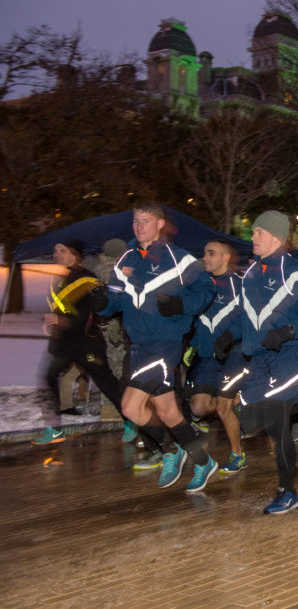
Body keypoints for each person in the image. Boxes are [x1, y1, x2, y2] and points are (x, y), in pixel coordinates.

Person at [94, 204, 218, 492]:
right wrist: (103, 305)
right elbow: (114, 299)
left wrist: (181, 305)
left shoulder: (179, 259)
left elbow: (206, 290)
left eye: (146, 221)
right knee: (168, 412)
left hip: (165, 343)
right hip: (137, 345)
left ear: (160, 224)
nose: (139, 227)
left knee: (130, 406)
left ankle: (169, 450)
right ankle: (203, 461)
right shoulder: (126, 259)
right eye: (136, 221)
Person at [237, 211, 298, 513]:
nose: (252, 238)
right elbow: (244, 314)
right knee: (249, 423)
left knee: (276, 425)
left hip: (291, 353)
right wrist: (229, 340)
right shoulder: (250, 275)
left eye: (258, 232)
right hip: (259, 357)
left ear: (276, 236)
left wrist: (288, 331)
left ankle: (288, 491)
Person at [31, 239, 126, 446]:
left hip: (87, 344)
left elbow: (90, 315)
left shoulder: (87, 279)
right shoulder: (65, 278)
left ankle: (133, 421)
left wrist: (61, 320)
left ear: (75, 254)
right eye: (55, 250)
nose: (57, 254)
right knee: (48, 376)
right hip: (66, 344)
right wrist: (50, 320)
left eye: (62, 250)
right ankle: (54, 428)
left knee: (106, 383)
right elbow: (61, 308)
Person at [181, 240, 247, 474]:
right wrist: (192, 346)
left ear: (226, 257)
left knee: (222, 407)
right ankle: (241, 401)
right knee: (198, 408)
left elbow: (249, 319)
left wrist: (231, 337)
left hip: (234, 354)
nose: (205, 257)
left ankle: (237, 454)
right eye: (204, 253)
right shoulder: (199, 285)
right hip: (208, 357)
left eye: (211, 253)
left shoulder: (241, 285)